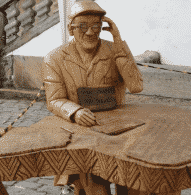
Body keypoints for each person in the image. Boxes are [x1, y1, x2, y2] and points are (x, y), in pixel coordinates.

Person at [42, 1, 144, 194]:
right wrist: (75, 111)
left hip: (119, 128)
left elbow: (136, 86)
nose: (90, 32)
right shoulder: (54, 58)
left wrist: (118, 42)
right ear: (71, 29)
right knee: (93, 184)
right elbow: (54, 99)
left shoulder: (117, 49)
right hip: (83, 128)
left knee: (131, 180)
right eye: (82, 26)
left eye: (96, 26)